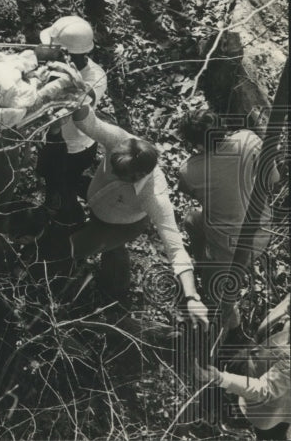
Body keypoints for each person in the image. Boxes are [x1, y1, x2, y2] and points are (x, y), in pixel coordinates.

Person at [38, 63, 208, 324]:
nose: (114, 174)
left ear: (140, 175)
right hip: (98, 200)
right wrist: (72, 99)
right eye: (112, 167)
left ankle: (111, 291)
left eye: (121, 175)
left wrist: (192, 296)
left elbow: (175, 247)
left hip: (120, 224)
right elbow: (88, 122)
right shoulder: (120, 139)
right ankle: (110, 260)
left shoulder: (154, 194)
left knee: (69, 248)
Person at [177, 107, 280, 332]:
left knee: (218, 296)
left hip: (227, 246)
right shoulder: (248, 139)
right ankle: (213, 266)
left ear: (194, 142)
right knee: (193, 220)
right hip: (261, 231)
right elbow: (274, 177)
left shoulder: (189, 170)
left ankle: (228, 320)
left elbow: (190, 192)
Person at [35, 15, 108, 225]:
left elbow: (80, 100)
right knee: (49, 176)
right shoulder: (54, 64)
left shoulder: (94, 77)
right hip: (51, 139)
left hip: (74, 148)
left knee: (65, 185)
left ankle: (69, 221)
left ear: (67, 53)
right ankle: (52, 198)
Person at [196, 294, 290, 439]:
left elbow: (264, 390)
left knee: (270, 430)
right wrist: (239, 330)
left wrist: (221, 378)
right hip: (261, 365)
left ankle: (229, 422)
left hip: (266, 408)